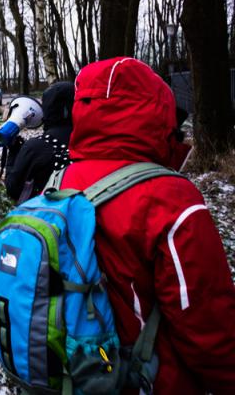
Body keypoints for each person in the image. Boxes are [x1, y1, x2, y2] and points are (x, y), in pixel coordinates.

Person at [53, 57, 235, 394]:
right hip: (148, 380)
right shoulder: (172, 198)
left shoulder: (61, 179)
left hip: (75, 372)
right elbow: (207, 325)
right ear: (157, 112)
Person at [4, 81, 74, 202]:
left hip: (48, 217)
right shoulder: (92, 141)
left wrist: (13, 153)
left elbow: (13, 189)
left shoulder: (36, 147)